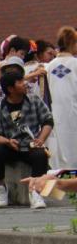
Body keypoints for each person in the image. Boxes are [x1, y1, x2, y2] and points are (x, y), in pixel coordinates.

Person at [0, 63, 53, 209]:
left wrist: (41, 139)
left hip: (30, 145)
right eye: (20, 82)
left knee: (40, 155)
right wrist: (7, 141)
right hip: (11, 146)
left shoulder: (34, 100)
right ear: (11, 89)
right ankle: (0, 188)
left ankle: (36, 193)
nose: (24, 84)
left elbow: (48, 121)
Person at [46, 26, 77, 169]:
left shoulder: (50, 66)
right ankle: (72, 188)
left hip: (56, 116)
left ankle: (65, 188)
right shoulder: (75, 64)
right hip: (73, 113)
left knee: (62, 154)